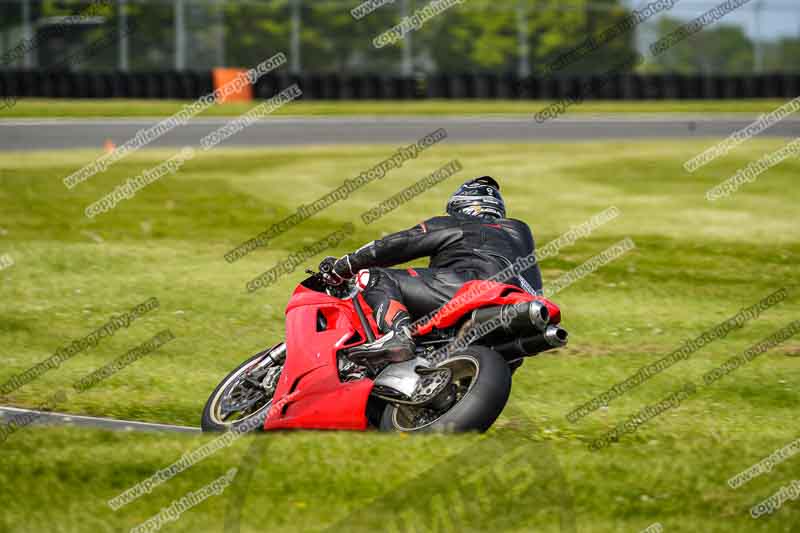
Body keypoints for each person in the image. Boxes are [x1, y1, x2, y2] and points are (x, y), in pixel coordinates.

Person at [320, 176, 543, 363]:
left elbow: (400, 244)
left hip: (470, 287)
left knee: (376, 276)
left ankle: (397, 335)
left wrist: (344, 266)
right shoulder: (520, 234)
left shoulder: (458, 222)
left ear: (461, 207)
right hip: (522, 308)